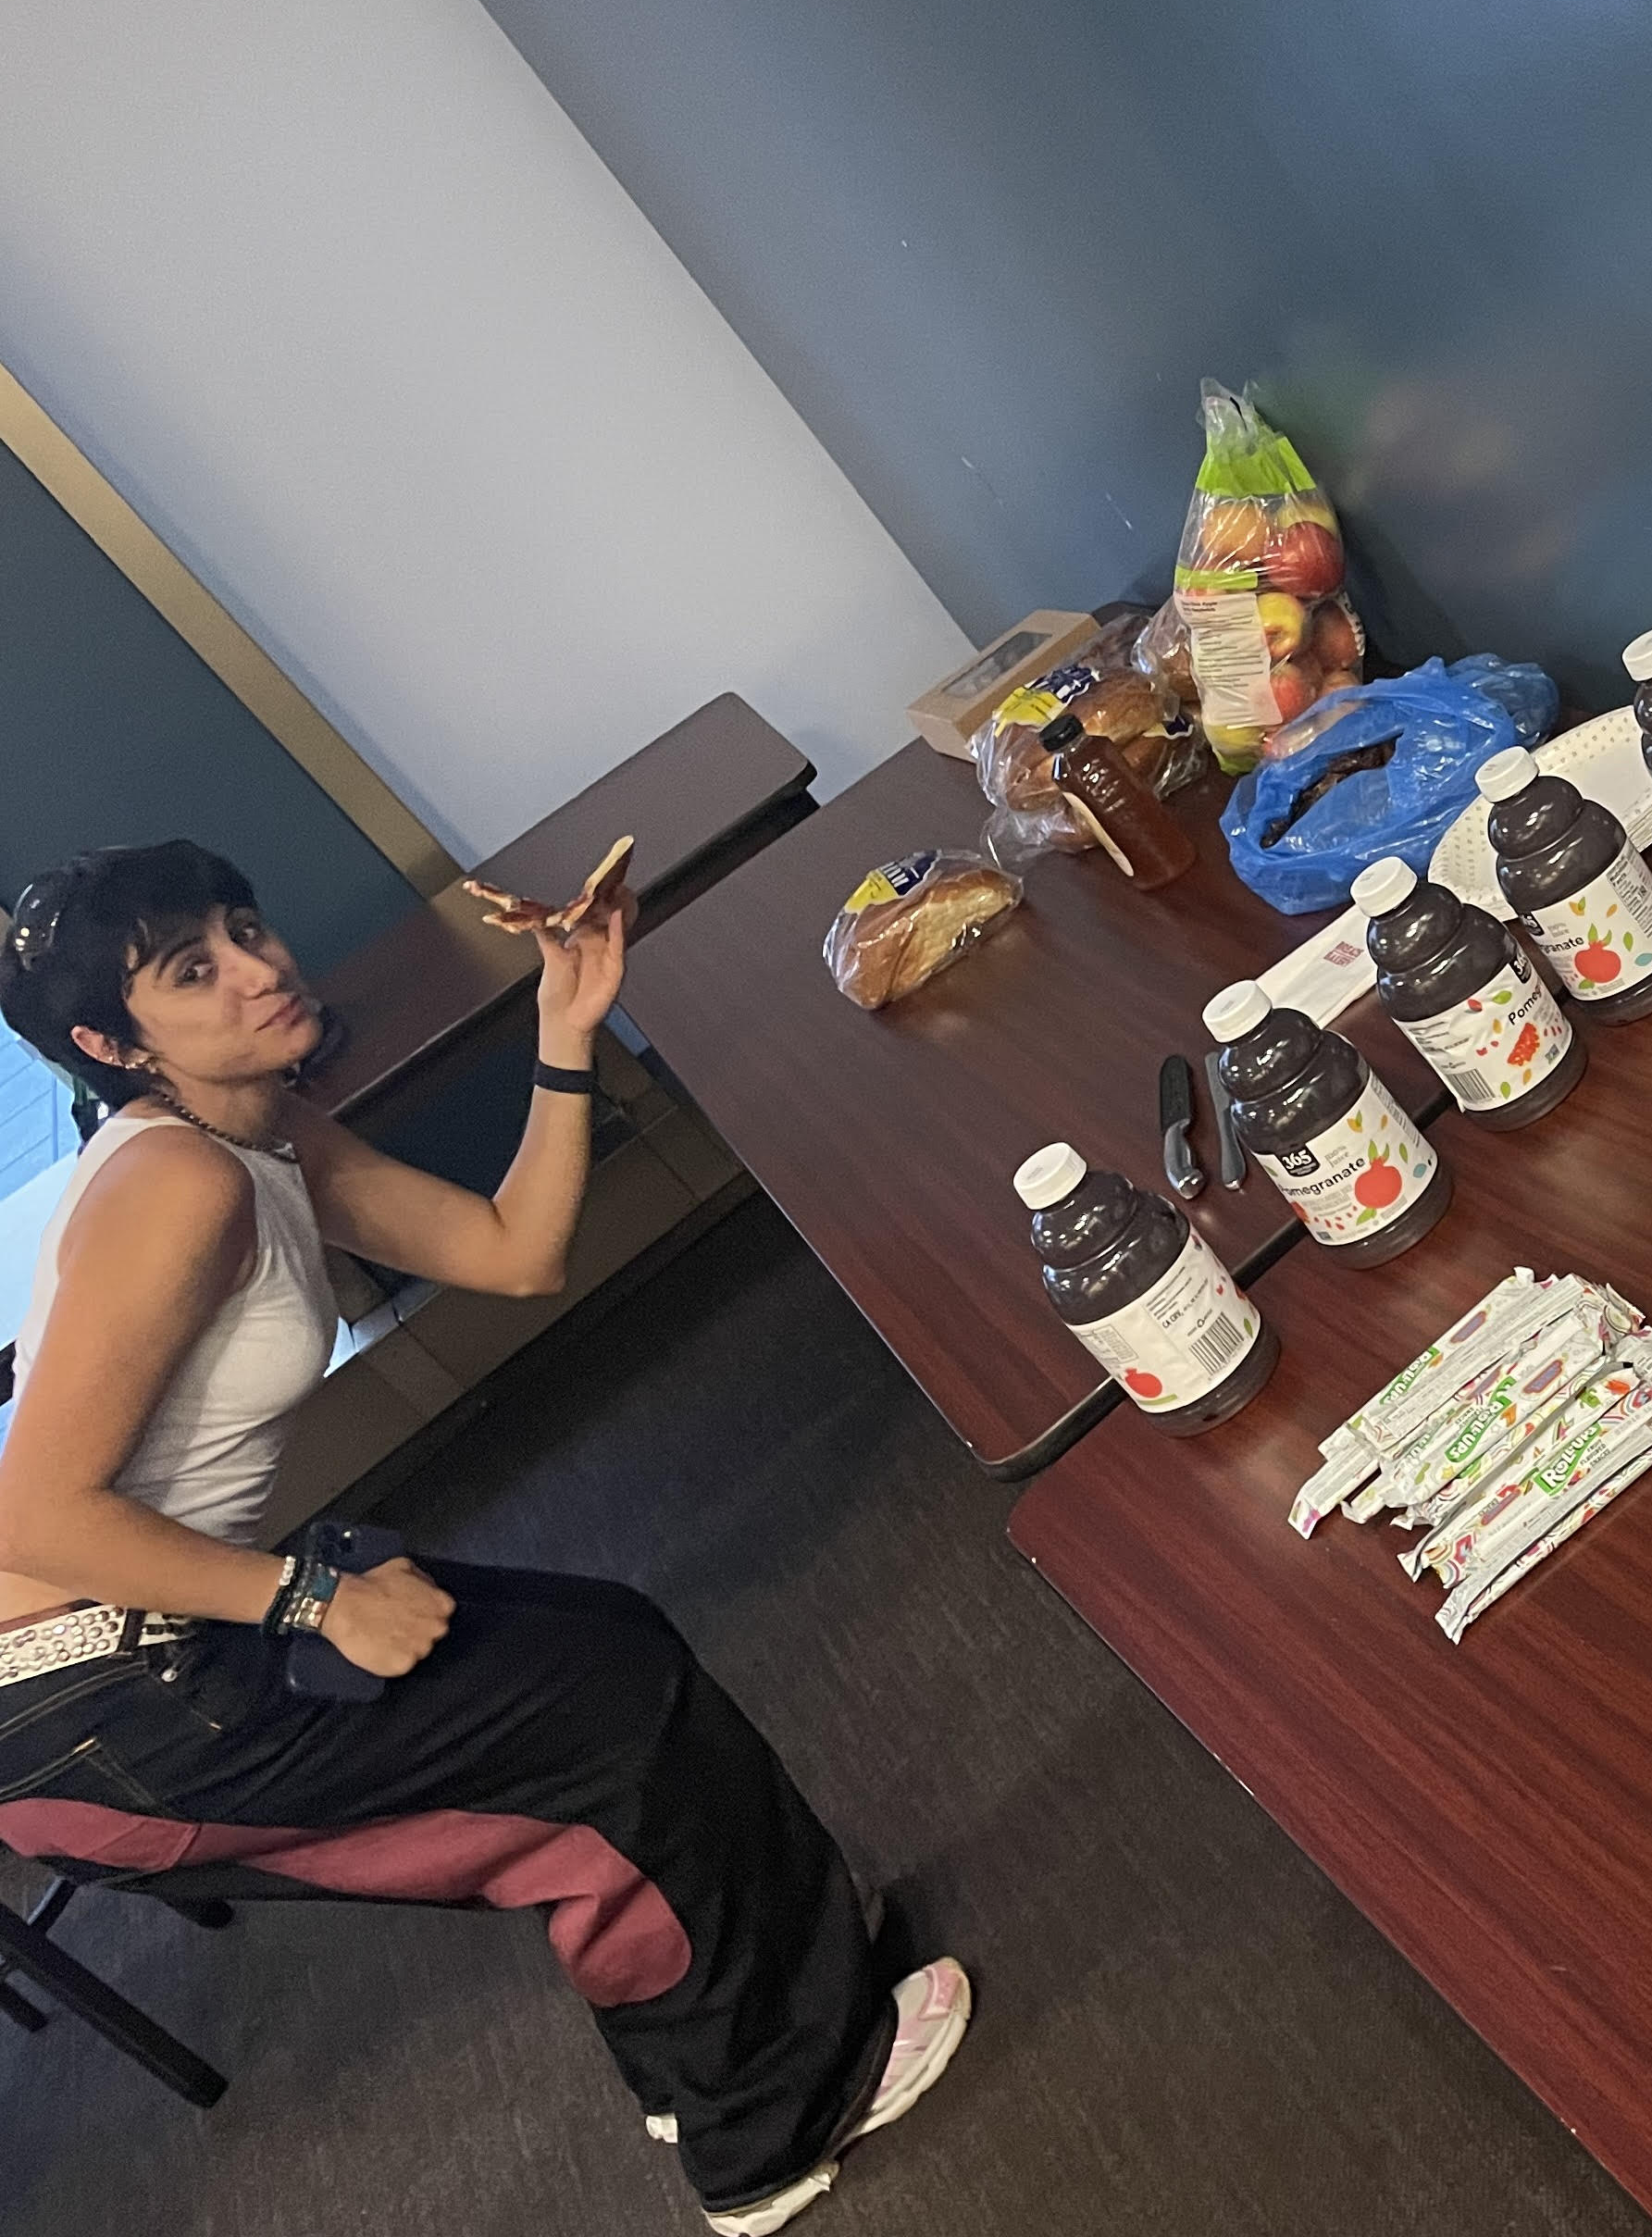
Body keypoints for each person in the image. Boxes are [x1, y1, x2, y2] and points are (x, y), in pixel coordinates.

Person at [0, 841, 967, 2232]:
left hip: (157, 1634)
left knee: (612, 1647)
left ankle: (711, 2032)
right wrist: (303, 1602)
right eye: (192, 972)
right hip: (87, 1713)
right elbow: (36, 1515)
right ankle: (767, 2123)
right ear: (113, 1042)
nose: (260, 969)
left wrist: (564, 1025)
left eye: (243, 924)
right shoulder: (178, 1186)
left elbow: (516, 1250)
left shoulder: (260, 1130)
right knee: (603, 1730)